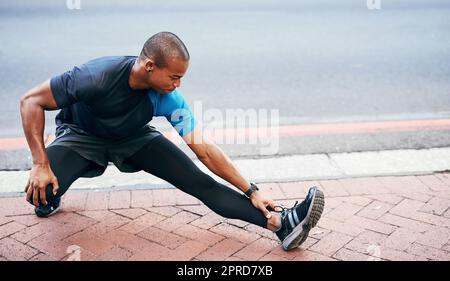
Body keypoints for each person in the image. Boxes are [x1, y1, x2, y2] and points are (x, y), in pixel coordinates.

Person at [19, 32, 324, 251]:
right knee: (40, 192)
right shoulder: (95, 76)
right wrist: (40, 164)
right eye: (175, 77)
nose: (178, 85)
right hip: (81, 137)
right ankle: (53, 195)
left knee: (199, 182)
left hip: (133, 139)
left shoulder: (167, 97)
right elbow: (31, 101)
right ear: (149, 66)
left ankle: (281, 223)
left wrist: (251, 189)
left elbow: (203, 149)